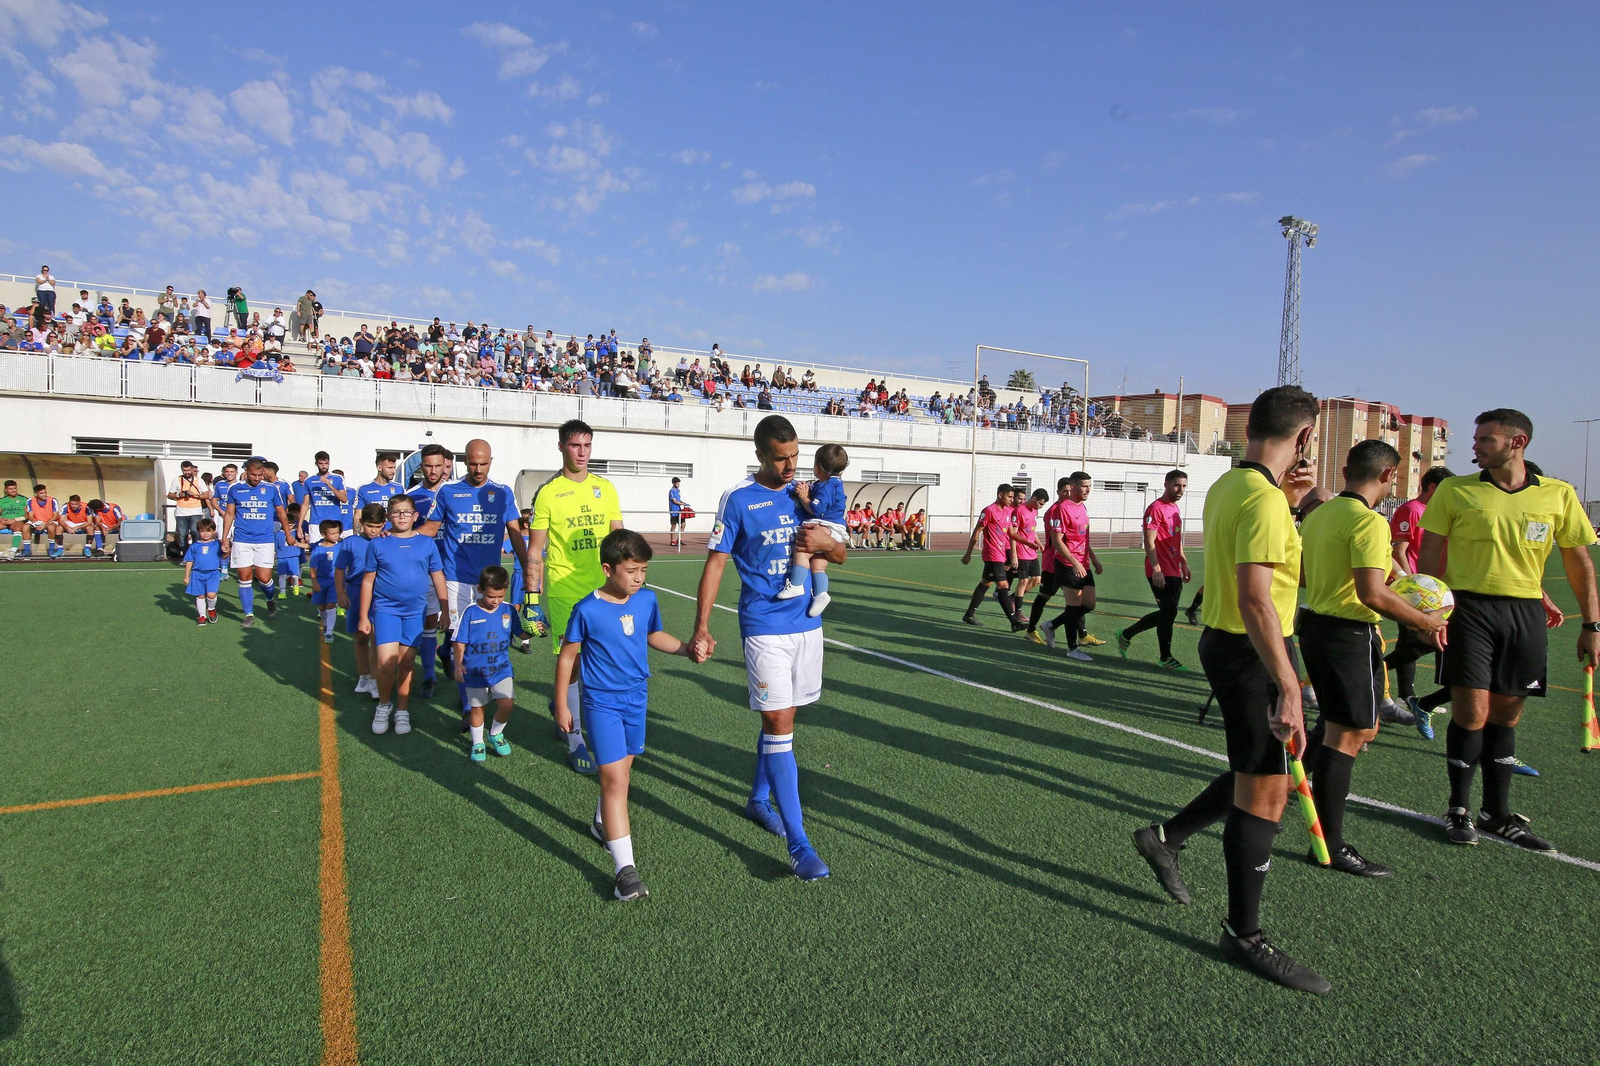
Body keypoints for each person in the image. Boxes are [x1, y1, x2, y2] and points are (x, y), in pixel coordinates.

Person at [1130, 385, 1329, 995]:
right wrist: (1289, 684)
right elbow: (1256, 599)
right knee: (1267, 792)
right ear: (1302, 437)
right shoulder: (1263, 501)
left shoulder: (1233, 486)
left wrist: (1288, 505)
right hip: (1252, 651)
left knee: (1256, 773)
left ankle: (1166, 837)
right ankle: (1244, 934)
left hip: (1233, 645)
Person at [1418, 409, 1598, 852]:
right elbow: (1429, 561)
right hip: (1469, 610)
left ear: (1517, 443)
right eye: (1476, 439)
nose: (1475, 446)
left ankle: (1496, 813)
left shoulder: (1558, 495)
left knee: (1508, 714)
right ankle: (1459, 808)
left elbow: (1579, 563)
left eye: (1486, 440)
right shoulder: (1456, 491)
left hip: (1524, 615)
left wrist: (1592, 625)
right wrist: (1427, 614)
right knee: (1471, 712)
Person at [692, 416, 845, 880]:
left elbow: (838, 552)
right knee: (778, 721)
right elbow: (716, 564)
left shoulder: (808, 497)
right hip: (763, 625)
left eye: (795, 455)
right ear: (760, 454)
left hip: (807, 625)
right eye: (781, 458)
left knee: (785, 719)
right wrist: (701, 625)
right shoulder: (738, 500)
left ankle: (758, 799)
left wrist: (827, 543)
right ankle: (800, 846)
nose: (790, 465)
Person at [1296, 440, 1448, 877]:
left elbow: (1307, 575)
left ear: (1346, 470)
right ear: (1388, 476)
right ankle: (1330, 846)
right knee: (1351, 736)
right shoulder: (1369, 522)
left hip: (1319, 628)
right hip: (1348, 634)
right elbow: (1372, 593)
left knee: (1350, 730)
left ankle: (1313, 815)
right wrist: (1426, 620)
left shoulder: (1320, 514)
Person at [556, 530, 696, 901]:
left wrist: (686, 649)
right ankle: (624, 872)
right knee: (616, 781)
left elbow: (655, 636)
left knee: (624, 772)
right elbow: (568, 657)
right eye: (632, 570)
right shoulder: (586, 609)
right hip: (601, 703)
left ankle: (602, 825)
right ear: (607, 568)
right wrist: (562, 703)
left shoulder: (646, 600)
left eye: (644, 570)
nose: (639, 577)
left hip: (637, 698)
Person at [525, 421, 624, 774]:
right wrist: (531, 598)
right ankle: (576, 739)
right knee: (571, 661)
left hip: (604, 591)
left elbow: (618, 540)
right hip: (566, 591)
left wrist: (629, 579)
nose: (581, 452)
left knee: (597, 662)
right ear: (561, 447)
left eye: (587, 445)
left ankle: (563, 709)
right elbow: (535, 549)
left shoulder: (606, 488)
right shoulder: (549, 493)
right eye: (574, 445)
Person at [417, 439, 534, 721]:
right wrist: (398, 538)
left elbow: (515, 534)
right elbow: (431, 528)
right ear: (463, 461)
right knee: (463, 642)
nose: (478, 469)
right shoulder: (449, 491)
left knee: (482, 639)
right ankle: (469, 707)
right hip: (455, 577)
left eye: (483, 463)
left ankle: (447, 655)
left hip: (489, 582)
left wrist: (530, 568)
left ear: (491, 461)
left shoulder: (502, 492)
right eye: (472, 463)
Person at [361, 494, 447, 736]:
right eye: (396, 512)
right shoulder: (378, 543)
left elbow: (438, 576)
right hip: (386, 610)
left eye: (406, 512)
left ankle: (402, 710)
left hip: (414, 612)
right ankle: (383, 705)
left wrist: (445, 608)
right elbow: (368, 581)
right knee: (386, 663)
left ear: (415, 516)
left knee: (407, 662)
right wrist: (363, 615)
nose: (401, 516)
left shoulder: (427, 543)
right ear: (388, 516)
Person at [1383, 465, 1455, 738]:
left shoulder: (1437, 513)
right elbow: (1399, 549)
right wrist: (1410, 585)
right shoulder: (1412, 510)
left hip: (1434, 591)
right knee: (1412, 646)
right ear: (1434, 488)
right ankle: (1388, 683)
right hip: (1417, 591)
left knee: (1423, 644)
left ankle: (1407, 695)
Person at [1117, 469, 1192, 669]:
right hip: (1160, 570)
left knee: (1169, 612)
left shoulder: (1175, 509)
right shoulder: (1155, 509)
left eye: (1184, 486)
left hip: (1174, 569)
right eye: (1177, 485)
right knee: (1168, 612)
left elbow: (1177, 538)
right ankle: (1165, 657)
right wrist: (1156, 568)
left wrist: (1183, 561)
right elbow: (1149, 542)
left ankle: (1126, 634)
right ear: (1166, 484)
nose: (1180, 490)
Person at [1026, 473, 1102, 660]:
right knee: (1071, 605)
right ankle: (1072, 648)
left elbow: (1084, 538)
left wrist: (1093, 558)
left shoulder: (1082, 507)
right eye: (1084, 486)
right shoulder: (1060, 509)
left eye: (1089, 486)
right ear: (1073, 487)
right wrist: (1075, 562)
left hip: (1082, 563)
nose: (1088, 490)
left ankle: (1051, 625)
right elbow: (1057, 541)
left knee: (1089, 604)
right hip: (1067, 563)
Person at [454, 565, 519, 763]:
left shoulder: (508, 609)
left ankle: (496, 733)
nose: (495, 601)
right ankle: (477, 743)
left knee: (507, 703)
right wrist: (458, 664)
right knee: (477, 709)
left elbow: (521, 632)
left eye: (500, 596)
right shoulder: (471, 612)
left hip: (501, 669)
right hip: (475, 671)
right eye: (492, 596)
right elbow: (460, 642)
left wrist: (534, 629)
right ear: (479, 589)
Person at [776, 443, 849, 616]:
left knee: (802, 549)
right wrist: (806, 488)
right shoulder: (833, 483)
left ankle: (796, 585)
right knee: (818, 564)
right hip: (835, 527)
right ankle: (821, 593)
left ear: (818, 467)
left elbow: (816, 508)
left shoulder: (826, 487)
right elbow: (816, 490)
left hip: (825, 524)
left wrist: (803, 497)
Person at [220, 457, 292, 628]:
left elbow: (282, 513)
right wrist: (225, 537)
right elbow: (229, 514)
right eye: (254, 474)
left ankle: (269, 599)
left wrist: (288, 533)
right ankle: (249, 614)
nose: (257, 478)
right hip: (241, 539)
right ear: (246, 472)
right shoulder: (235, 489)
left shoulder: (271, 489)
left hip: (265, 540)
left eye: (260, 475)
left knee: (264, 578)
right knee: (244, 577)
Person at [405, 443, 454, 697]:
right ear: (421, 466)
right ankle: (429, 676)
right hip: (425, 568)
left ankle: (445, 650)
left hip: (456, 566)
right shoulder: (412, 495)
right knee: (429, 620)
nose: (434, 471)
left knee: (458, 621)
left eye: (439, 465)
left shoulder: (456, 492)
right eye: (428, 465)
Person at [338, 504, 388, 696]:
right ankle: (364, 676)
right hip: (356, 591)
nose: (374, 531)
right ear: (361, 523)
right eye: (369, 526)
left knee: (377, 638)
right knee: (360, 637)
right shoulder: (350, 542)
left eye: (377, 526)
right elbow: (340, 568)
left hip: (380, 594)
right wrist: (340, 593)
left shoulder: (387, 540)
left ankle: (376, 680)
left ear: (384, 524)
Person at [960, 484, 1024, 630]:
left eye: (1013, 497)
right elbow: (977, 532)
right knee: (1003, 586)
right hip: (992, 554)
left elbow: (1011, 534)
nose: (1011, 499)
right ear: (1000, 495)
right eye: (1009, 497)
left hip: (1001, 554)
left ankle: (969, 615)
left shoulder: (1008, 512)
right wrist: (968, 553)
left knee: (986, 583)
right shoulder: (989, 511)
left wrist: (1028, 543)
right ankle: (1014, 622)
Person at [182, 518, 224, 625]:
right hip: (197, 574)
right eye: (202, 531)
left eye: (208, 530)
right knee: (200, 595)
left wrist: (228, 550)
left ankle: (211, 609)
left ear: (213, 531)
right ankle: (202, 616)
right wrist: (187, 576)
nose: (205, 534)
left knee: (211, 594)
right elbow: (189, 560)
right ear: (198, 531)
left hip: (213, 573)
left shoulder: (217, 544)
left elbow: (224, 555)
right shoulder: (195, 546)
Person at [309, 519, 343, 643]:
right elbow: (313, 567)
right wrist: (314, 581)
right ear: (323, 534)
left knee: (331, 603)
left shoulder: (341, 546)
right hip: (321, 580)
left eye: (337, 533)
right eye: (333, 533)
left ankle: (329, 632)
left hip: (335, 580)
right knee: (322, 606)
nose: (336, 536)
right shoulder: (317, 549)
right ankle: (325, 624)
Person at [1010, 489, 1048, 598]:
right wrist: (1014, 555)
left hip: (1032, 552)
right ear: (1034, 498)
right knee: (1023, 581)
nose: (1041, 506)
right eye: (1040, 503)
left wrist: (1040, 544)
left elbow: (1031, 531)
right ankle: (1017, 609)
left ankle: (1013, 598)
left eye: (1043, 505)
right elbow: (1013, 534)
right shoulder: (1019, 511)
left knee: (1037, 580)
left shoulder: (1035, 511)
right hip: (1021, 551)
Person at [304, 452, 349, 538]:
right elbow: (305, 504)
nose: (324, 466)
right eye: (321, 463)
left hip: (334, 522)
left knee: (334, 549)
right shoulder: (309, 481)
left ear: (329, 463)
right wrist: (299, 526)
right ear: (316, 464)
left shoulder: (337, 478)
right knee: (316, 549)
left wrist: (329, 485)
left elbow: (344, 499)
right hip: (316, 522)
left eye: (326, 463)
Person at [167, 461, 209, 551]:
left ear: (192, 469)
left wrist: (195, 495)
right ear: (182, 470)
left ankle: (195, 555)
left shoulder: (199, 480)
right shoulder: (177, 480)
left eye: (189, 470)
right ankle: (186, 557)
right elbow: (170, 495)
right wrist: (179, 495)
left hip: (196, 511)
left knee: (196, 533)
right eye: (185, 470)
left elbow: (206, 495)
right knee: (182, 535)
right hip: (181, 512)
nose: (187, 472)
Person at [276, 505, 307, 596]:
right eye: (289, 525)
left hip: (293, 557)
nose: (290, 527)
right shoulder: (278, 534)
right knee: (282, 575)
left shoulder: (296, 532)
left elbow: (303, 542)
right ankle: (282, 592)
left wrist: (301, 537)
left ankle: (295, 586)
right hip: (282, 557)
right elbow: (276, 546)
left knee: (294, 575)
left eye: (292, 525)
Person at [1, 480, 27, 554]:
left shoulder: (24, 499)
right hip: (5, 521)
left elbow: (27, 515)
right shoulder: (2, 500)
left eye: (14, 488)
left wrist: (14, 519)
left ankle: (13, 551)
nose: (13, 491)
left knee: (17, 528)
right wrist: (1, 519)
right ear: (6, 490)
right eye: (10, 489)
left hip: (17, 521)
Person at [667, 477, 690, 548]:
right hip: (674, 511)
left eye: (678, 483)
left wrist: (683, 503)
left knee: (683, 524)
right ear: (673, 483)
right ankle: (672, 541)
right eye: (677, 483)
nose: (678, 484)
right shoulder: (672, 491)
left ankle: (679, 539)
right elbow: (674, 501)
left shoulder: (678, 491)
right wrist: (681, 504)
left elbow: (678, 500)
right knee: (674, 525)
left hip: (679, 511)